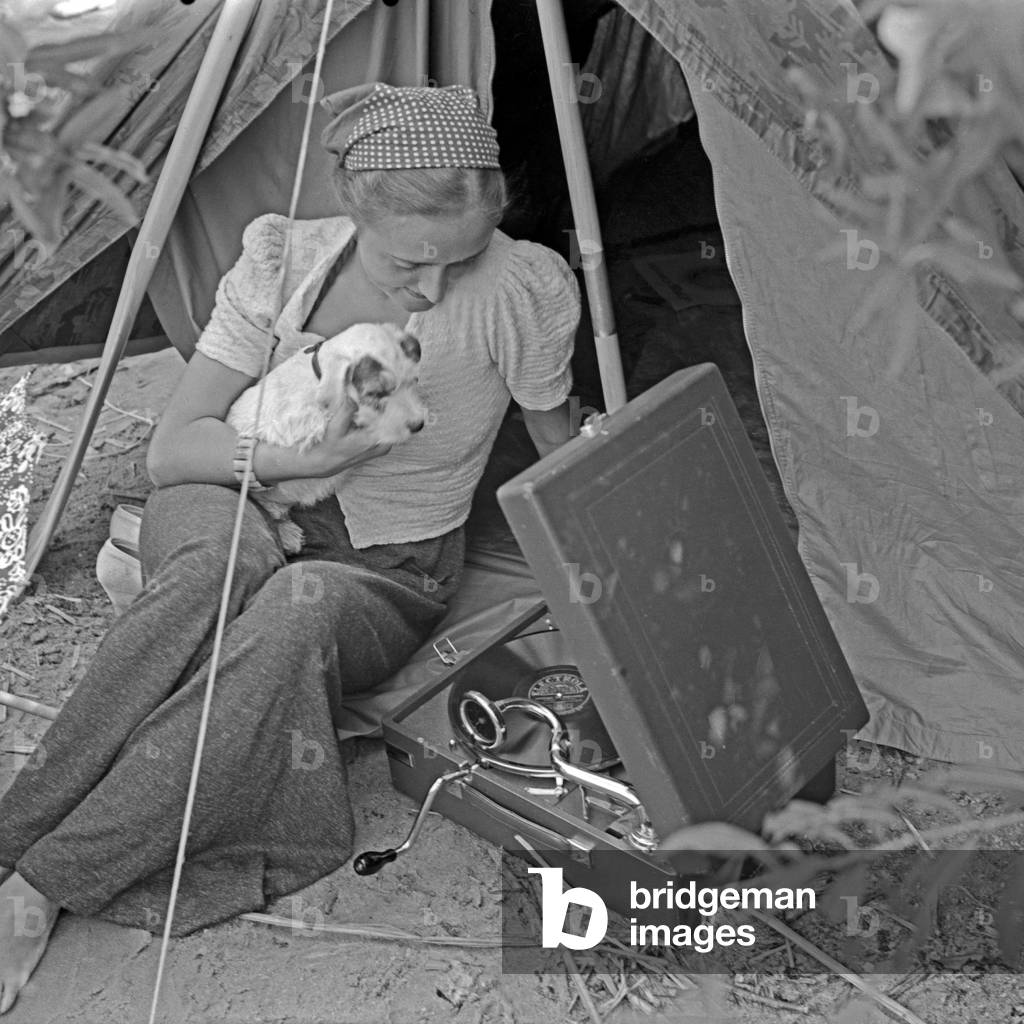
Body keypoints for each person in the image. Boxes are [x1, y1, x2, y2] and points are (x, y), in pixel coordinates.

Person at [0, 82, 580, 1014]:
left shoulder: (523, 288)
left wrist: (625, 506)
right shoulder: (280, 259)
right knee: (216, 574)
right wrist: (294, 458)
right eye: (411, 263)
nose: (431, 291)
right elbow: (174, 447)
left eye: (457, 261)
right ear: (356, 209)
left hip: (383, 566)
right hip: (232, 496)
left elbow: (563, 443)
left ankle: (42, 886)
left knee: (288, 614)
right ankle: (15, 832)